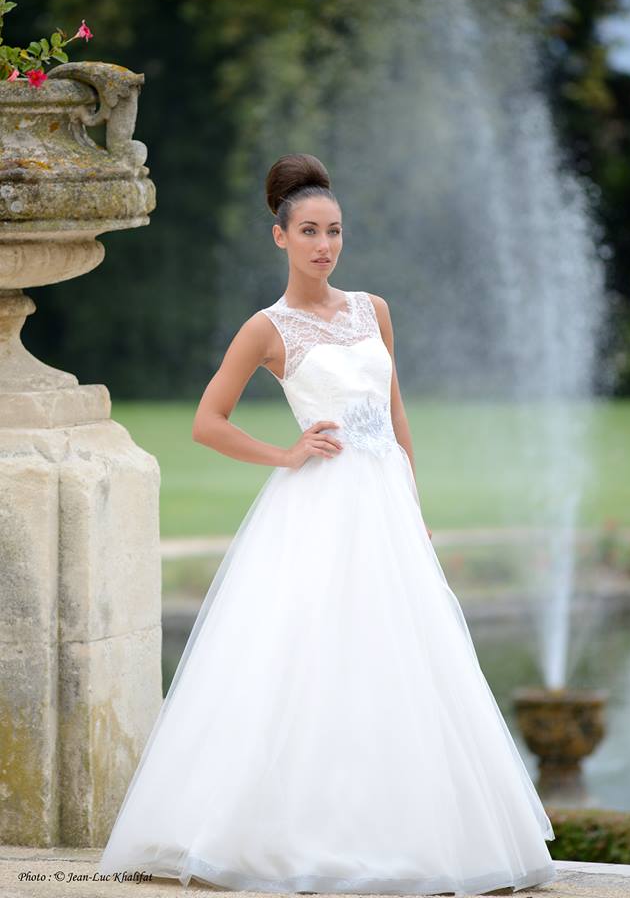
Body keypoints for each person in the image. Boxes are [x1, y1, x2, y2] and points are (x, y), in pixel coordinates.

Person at [98, 153, 557, 895]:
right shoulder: (266, 328)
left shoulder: (372, 310)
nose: (324, 245)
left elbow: (397, 413)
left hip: (385, 507)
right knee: (308, 655)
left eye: (334, 231)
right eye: (309, 231)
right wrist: (285, 453)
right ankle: (292, 830)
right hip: (318, 508)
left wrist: (412, 503)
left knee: (405, 657)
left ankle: (415, 829)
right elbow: (207, 423)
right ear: (279, 236)